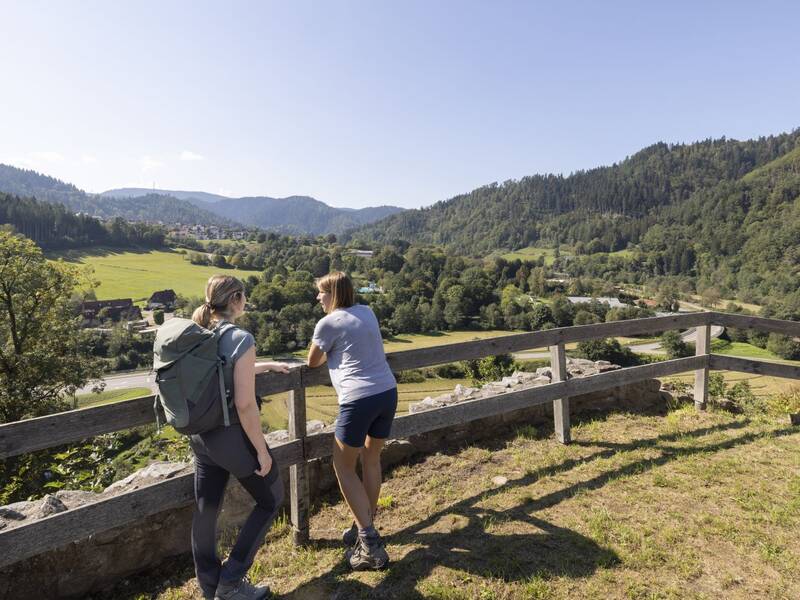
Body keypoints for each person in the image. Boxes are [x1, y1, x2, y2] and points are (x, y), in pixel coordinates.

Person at [190, 275, 290, 600]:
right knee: (271, 498)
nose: (245, 300)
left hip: (201, 438)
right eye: (244, 296)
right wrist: (261, 450)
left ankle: (210, 587)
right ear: (235, 299)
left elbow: (225, 373)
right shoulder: (241, 338)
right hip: (231, 439)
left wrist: (266, 366)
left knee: (206, 510)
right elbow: (245, 404)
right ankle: (231, 582)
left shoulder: (201, 334)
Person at [307, 271, 397, 570]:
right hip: (387, 392)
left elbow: (312, 361)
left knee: (343, 468)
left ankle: (370, 545)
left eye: (321, 292)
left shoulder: (328, 322)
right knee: (371, 460)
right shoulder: (367, 311)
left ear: (333, 293)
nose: (318, 297)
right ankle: (365, 526)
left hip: (358, 399)